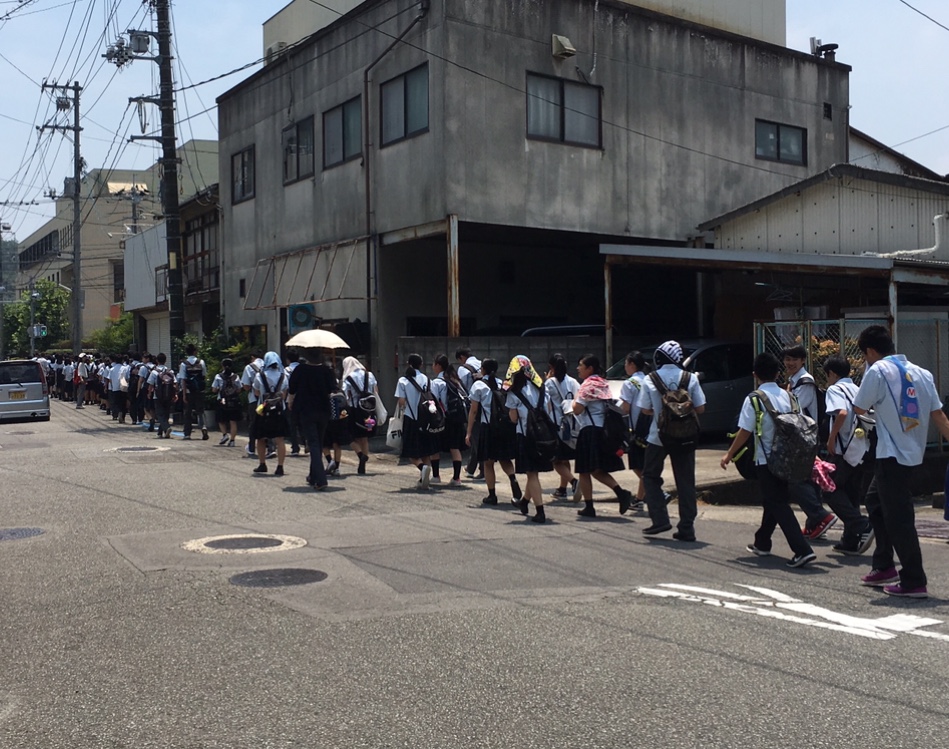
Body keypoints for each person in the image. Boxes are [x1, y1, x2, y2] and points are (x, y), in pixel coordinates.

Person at [851, 325, 949, 598]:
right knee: (874, 501)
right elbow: (939, 415)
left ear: (870, 351)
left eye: (864, 355)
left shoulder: (877, 371)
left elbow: (859, 407)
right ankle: (884, 565)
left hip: (891, 455)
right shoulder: (922, 373)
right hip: (912, 456)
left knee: (899, 519)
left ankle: (914, 580)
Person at [720, 352, 817, 568]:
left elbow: (744, 431)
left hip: (766, 460)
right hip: (789, 458)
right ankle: (762, 542)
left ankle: (802, 550)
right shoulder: (789, 396)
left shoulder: (754, 398)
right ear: (777, 373)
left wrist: (729, 454)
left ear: (755, 375)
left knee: (777, 503)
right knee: (774, 500)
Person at [637, 341, 706, 540]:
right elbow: (700, 408)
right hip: (685, 436)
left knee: (650, 476)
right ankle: (687, 528)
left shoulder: (651, 379)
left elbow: (645, 409)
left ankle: (660, 519)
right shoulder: (690, 378)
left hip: (658, 436)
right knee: (685, 481)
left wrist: (662, 410)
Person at [782, 345, 838, 540]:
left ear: (803, 361)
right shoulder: (794, 380)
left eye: (794, 359)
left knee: (797, 480)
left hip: (805, 438)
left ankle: (820, 516)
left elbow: (794, 409)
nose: (789, 363)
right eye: (787, 359)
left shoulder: (805, 382)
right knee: (809, 480)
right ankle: (815, 523)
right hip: (802, 438)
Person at [821, 355, 874, 555]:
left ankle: (862, 525)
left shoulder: (835, 389)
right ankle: (850, 540)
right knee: (851, 492)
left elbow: (841, 413)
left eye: (827, 376)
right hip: (862, 448)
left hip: (845, 450)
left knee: (829, 488)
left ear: (832, 374)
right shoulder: (857, 388)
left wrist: (831, 438)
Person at [572, 354, 634, 518]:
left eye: (581, 365)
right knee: (596, 470)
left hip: (589, 431)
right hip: (602, 430)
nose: (578, 368)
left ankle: (590, 507)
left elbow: (577, 409)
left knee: (584, 471)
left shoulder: (588, 385)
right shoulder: (602, 382)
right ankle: (621, 493)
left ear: (590, 368)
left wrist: (574, 398)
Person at [466, 358, 521, 504]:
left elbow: (474, 411)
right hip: (503, 426)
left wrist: (469, 432)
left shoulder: (478, 385)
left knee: (488, 463)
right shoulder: (501, 383)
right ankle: (513, 480)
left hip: (487, 427)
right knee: (505, 458)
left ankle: (492, 495)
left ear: (482, 369)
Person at [505, 356, 552, 523]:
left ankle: (540, 511)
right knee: (533, 472)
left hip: (526, 435)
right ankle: (524, 502)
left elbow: (513, 418)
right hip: (543, 435)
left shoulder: (513, 391)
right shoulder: (541, 386)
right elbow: (547, 409)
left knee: (531, 474)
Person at [288, 349, 337, 490]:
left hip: (306, 410)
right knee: (318, 442)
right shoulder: (326, 370)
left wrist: (290, 402)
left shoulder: (300, 370)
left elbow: (292, 388)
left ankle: (321, 480)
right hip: (323, 410)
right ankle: (313, 475)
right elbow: (332, 388)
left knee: (313, 443)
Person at [395, 353, 439, 489]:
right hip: (426, 418)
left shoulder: (403, 381)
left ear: (409, 364)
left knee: (411, 452)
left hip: (411, 418)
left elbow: (401, 401)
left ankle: (422, 468)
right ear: (421, 364)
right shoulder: (426, 379)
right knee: (425, 451)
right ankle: (423, 480)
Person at [618, 350, 650, 509]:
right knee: (644, 465)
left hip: (636, 429)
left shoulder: (629, 383)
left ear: (632, 364)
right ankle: (639, 499)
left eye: (626, 363)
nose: (625, 367)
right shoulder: (648, 380)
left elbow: (625, 409)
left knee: (637, 466)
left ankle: (654, 492)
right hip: (651, 428)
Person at [544, 354, 578, 500]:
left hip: (556, 425)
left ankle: (574, 482)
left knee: (556, 460)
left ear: (551, 367)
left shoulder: (550, 383)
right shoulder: (573, 381)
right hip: (571, 424)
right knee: (565, 459)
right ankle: (562, 489)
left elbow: (546, 404)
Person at [341, 355, 381, 475]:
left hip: (355, 410)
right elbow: (376, 391)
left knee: (349, 435)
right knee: (364, 437)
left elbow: (345, 394)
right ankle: (362, 465)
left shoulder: (348, 378)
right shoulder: (370, 375)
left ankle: (360, 455)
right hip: (369, 409)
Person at [430, 354, 466, 485]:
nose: (433, 366)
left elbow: (432, 401)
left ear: (438, 366)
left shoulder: (437, 382)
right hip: (455, 419)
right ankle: (456, 478)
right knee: (454, 447)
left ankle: (436, 477)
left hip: (442, 419)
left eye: (434, 364)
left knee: (435, 447)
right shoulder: (455, 381)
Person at [252, 351, 289, 476]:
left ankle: (262, 464)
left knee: (261, 438)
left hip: (263, 410)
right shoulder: (283, 376)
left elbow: (256, 392)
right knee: (280, 439)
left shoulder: (260, 376)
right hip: (279, 410)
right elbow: (284, 394)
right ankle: (280, 467)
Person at [456, 347, 484, 479]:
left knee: (475, 436)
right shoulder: (481, 363)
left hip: (474, 404)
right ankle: (471, 468)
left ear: (461, 357)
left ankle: (484, 469)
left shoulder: (463, 369)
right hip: (487, 403)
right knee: (476, 436)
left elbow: (463, 389)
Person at [178, 343, 209, 440]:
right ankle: (203, 426)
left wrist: (183, 394)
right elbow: (204, 376)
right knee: (201, 410)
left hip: (188, 391)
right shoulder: (201, 362)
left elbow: (183, 380)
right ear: (195, 352)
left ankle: (187, 433)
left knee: (188, 412)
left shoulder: (184, 364)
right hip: (200, 390)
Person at [212, 358, 242, 447]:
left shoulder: (218, 376)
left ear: (222, 366)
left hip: (222, 400)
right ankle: (232, 440)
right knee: (233, 421)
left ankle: (225, 435)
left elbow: (213, 389)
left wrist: (219, 389)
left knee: (221, 420)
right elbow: (239, 389)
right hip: (233, 401)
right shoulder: (236, 377)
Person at [241, 350, 266, 459]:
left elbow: (246, 386)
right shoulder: (269, 366)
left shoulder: (249, 367)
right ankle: (270, 448)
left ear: (252, 357)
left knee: (253, 424)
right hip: (268, 400)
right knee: (267, 423)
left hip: (254, 399)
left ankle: (251, 447)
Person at [147, 353, 176, 439]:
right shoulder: (170, 371)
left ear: (157, 361)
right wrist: (175, 394)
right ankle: (160, 432)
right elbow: (175, 384)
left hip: (158, 396)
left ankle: (167, 428)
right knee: (166, 413)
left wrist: (149, 393)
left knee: (160, 414)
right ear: (165, 360)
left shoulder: (154, 372)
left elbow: (151, 385)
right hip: (168, 395)